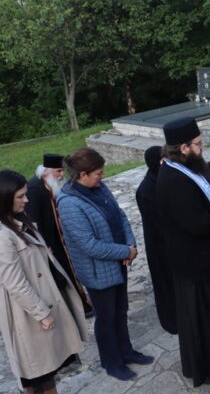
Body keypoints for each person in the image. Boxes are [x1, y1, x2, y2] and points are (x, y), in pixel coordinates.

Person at [0, 170, 87, 394]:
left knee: (48, 374)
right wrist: (42, 314)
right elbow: (16, 284)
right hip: (27, 316)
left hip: (43, 302)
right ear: (3, 198)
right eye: (20, 196)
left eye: (25, 194)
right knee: (37, 374)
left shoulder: (17, 222)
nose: (26, 200)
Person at [155, 117, 210, 387]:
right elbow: (198, 224)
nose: (202, 148)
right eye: (198, 144)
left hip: (205, 261)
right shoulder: (173, 180)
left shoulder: (184, 170)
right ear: (183, 148)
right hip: (198, 263)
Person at [58, 148, 153, 381]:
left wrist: (130, 244)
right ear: (82, 175)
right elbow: (89, 245)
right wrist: (125, 251)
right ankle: (112, 362)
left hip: (118, 261)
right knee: (106, 317)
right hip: (98, 271)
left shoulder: (99, 187)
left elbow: (119, 216)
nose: (102, 177)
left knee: (120, 311)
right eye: (98, 173)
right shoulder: (69, 204)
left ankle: (126, 351)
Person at [26, 154, 93, 317]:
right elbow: (33, 220)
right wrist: (44, 244)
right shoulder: (34, 189)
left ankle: (82, 304)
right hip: (49, 242)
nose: (62, 175)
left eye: (62, 171)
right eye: (58, 171)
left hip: (60, 238)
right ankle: (78, 308)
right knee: (63, 275)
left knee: (70, 271)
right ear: (46, 172)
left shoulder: (51, 184)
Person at [135, 146, 177, 334]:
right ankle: (172, 321)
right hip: (159, 245)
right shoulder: (146, 190)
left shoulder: (161, 180)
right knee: (166, 285)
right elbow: (160, 221)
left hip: (169, 242)